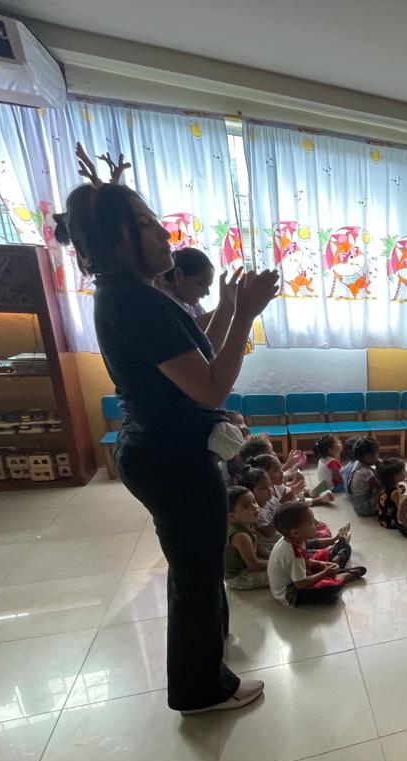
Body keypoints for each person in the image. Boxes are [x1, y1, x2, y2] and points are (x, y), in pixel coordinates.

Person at [55, 145, 278, 714]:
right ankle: (202, 690)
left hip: (166, 450)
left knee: (197, 570)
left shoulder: (140, 294)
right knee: (196, 575)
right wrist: (246, 315)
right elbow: (210, 387)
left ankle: (208, 664)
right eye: (147, 225)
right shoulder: (134, 302)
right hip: (171, 458)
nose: (164, 235)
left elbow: (199, 351)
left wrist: (228, 306)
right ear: (118, 239)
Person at [268, 501, 366, 606]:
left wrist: (319, 564)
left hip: (300, 574)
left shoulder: (293, 540)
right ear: (296, 532)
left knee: (319, 553)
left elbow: (307, 557)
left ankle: (335, 562)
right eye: (312, 522)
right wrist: (325, 573)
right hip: (292, 593)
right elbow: (301, 584)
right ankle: (342, 576)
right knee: (328, 590)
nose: (317, 524)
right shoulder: (294, 555)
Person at [224, 485, 269, 590]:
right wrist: (277, 563)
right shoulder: (240, 536)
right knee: (283, 573)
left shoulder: (246, 522)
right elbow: (254, 565)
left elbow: (259, 548)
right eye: (246, 506)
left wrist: (274, 556)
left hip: (248, 565)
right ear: (232, 516)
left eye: (254, 501)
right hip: (238, 578)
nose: (255, 507)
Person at [346, 437, 382, 517]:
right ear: (369, 456)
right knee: (385, 487)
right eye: (377, 453)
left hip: (357, 503)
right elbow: (379, 485)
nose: (378, 456)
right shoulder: (365, 472)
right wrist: (380, 466)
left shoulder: (357, 463)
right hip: (364, 508)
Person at [375, 459, 407, 531]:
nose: (406, 472)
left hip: (381, 515)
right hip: (390, 521)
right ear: (395, 476)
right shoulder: (395, 493)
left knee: (402, 487)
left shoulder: (386, 485)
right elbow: (401, 508)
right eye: (403, 470)